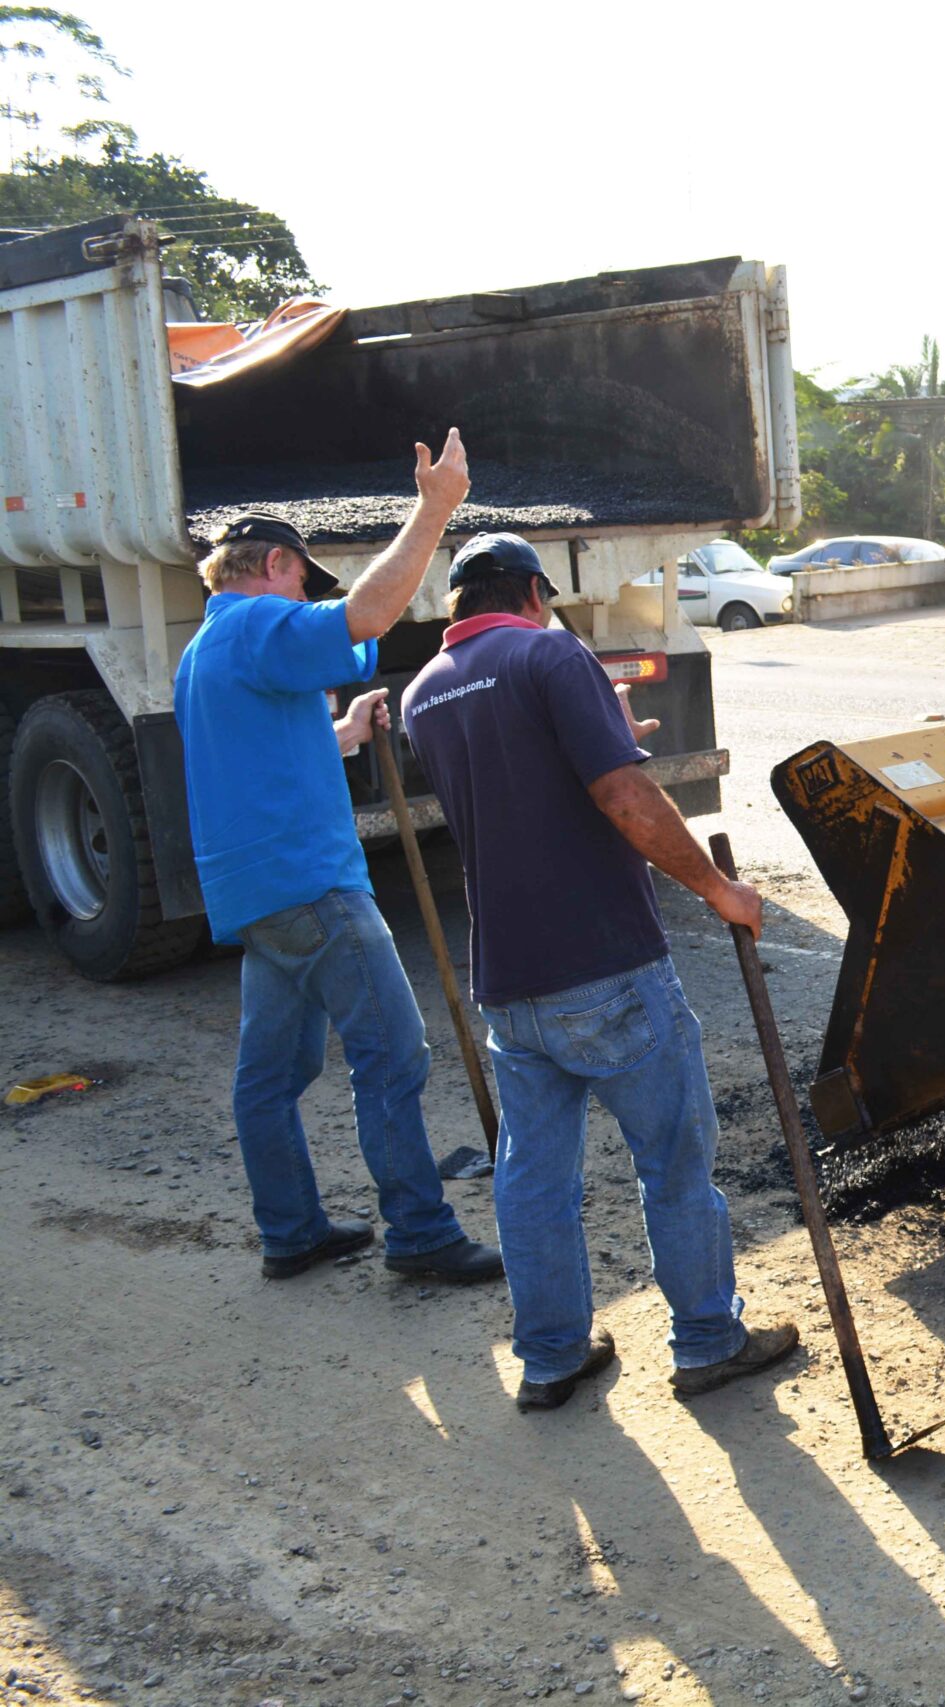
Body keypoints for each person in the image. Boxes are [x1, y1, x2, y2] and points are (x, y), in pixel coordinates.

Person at [400, 533, 797, 1411]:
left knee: (533, 1180)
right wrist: (717, 888)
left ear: (458, 603)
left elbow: (521, 781)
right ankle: (707, 1340)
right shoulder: (551, 653)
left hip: (509, 981)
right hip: (605, 964)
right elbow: (624, 797)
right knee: (674, 1163)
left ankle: (549, 1359)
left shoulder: (423, 693)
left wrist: (606, 731)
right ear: (537, 590)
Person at [173, 434, 505, 1287]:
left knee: (271, 1075)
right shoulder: (258, 623)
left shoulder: (204, 649)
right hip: (312, 885)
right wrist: (434, 510)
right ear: (276, 564)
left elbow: (254, 753)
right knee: (392, 1053)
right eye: (299, 580)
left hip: (258, 895)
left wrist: (344, 734)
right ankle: (421, 1234)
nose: (302, 599)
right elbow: (366, 617)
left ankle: (290, 1231)